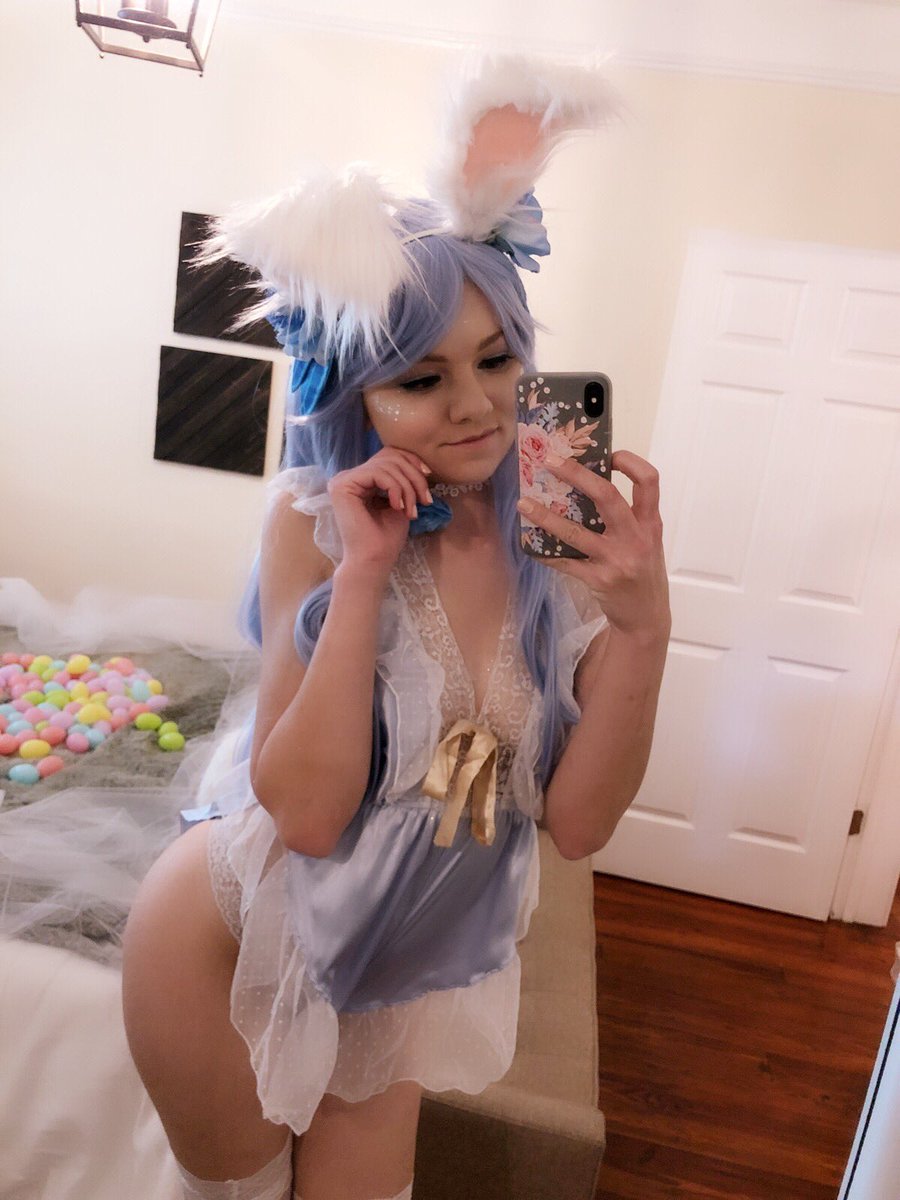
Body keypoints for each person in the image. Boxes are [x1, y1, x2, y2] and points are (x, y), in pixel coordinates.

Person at [121, 56, 671, 1200]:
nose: (474, 403)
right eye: (419, 379)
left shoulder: (562, 544)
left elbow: (576, 824)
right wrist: (365, 575)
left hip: (402, 961)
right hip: (225, 941)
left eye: (496, 358)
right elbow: (307, 814)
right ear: (357, 398)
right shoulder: (314, 526)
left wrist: (644, 628)